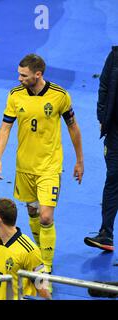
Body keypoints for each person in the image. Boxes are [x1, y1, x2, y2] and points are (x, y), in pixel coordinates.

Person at [0, 54, 84, 280]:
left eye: (23, 75)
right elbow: (5, 128)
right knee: (32, 212)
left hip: (49, 167)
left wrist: (80, 160)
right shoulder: (15, 95)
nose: (19, 78)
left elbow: (73, 127)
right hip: (24, 167)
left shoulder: (60, 96)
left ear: (38, 74)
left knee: (45, 217)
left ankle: (47, 267)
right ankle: (41, 255)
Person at [84, 46, 118, 252]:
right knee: (113, 178)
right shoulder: (115, 56)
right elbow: (104, 86)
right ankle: (106, 234)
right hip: (114, 131)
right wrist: (102, 117)